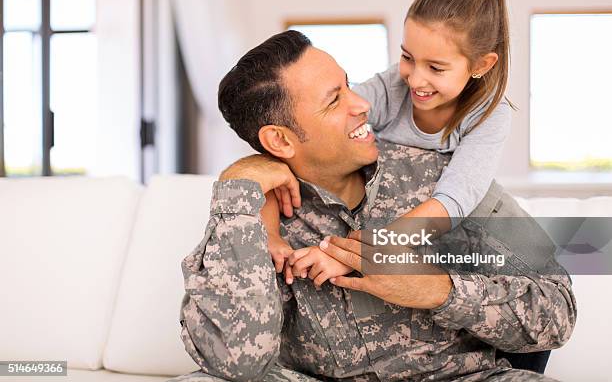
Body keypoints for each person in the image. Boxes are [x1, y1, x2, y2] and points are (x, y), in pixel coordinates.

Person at [169, 30, 575, 382]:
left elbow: (557, 310)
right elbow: (237, 361)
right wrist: (236, 188)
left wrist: (437, 290)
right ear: (280, 140)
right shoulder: (250, 211)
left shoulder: (448, 181)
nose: (361, 103)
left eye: (348, 84)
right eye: (334, 101)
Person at [263, 0, 515, 286]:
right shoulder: (393, 85)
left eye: (436, 68)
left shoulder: (490, 115)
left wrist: (350, 256)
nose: (414, 79)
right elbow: (315, 133)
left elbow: (452, 203)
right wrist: (270, 235)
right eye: (407, 57)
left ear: (481, 65)